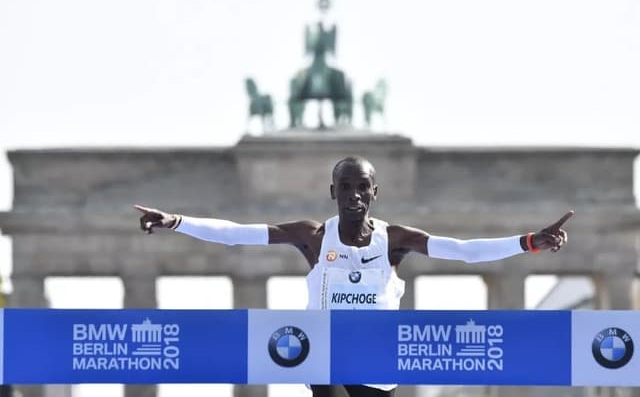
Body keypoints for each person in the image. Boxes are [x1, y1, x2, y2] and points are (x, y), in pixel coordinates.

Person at [135, 155, 572, 397]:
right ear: (333, 193)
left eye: (362, 186)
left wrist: (529, 242)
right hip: (322, 356)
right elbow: (235, 235)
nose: (354, 195)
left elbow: (463, 251)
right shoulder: (312, 237)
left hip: (377, 364)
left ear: (374, 193)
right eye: (345, 187)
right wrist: (176, 220)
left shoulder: (395, 240)